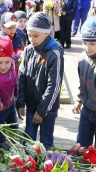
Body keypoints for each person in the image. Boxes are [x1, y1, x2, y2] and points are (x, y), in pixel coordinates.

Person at [16, 12, 64, 149]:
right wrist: (20, 103)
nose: (31, 39)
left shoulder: (54, 54)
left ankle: (47, 168)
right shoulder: (28, 50)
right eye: (29, 35)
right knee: (28, 141)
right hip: (31, 105)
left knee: (46, 142)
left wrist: (42, 111)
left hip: (47, 110)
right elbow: (22, 77)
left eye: (35, 36)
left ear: (46, 33)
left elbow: (54, 85)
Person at [72, 16, 96, 148]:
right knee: (81, 147)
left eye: (93, 44)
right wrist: (80, 99)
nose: (88, 48)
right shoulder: (82, 58)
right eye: (85, 43)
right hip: (86, 111)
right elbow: (82, 82)